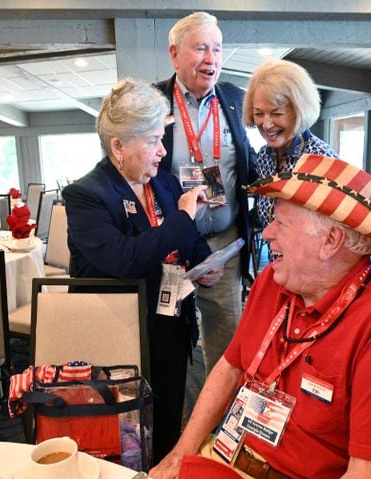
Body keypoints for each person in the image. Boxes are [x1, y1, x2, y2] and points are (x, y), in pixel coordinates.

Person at [150, 154, 371, 479]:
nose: (268, 232)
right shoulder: (272, 282)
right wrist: (180, 453)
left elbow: (367, 474)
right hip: (226, 453)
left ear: (330, 241)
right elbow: (230, 367)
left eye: (281, 223)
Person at [62, 78, 222, 463]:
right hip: (120, 335)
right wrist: (184, 217)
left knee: (167, 422)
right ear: (118, 145)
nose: (162, 150)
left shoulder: (162, 182)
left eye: (161, 138)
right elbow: (126, 258)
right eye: (152, 140)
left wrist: (203, 261)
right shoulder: (87, 195)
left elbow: (187, 238)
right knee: (123, 438)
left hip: (169, 320)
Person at [154, 11, 257, 376]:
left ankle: (223, 426)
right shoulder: (153, 103)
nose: (212, 59)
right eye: (201, 48)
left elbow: (249, 163)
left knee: (229, 345)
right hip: (172, 248)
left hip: (224, 247)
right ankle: (170, 425)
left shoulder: (234, 99)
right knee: (167, 340)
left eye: (217, 48)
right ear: (175, 54)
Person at [243, 58, 336, 229]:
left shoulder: (320, 159)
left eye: (277, 114)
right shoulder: (265, 155)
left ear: (299, 111)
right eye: (258, 114)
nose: (266, 124)